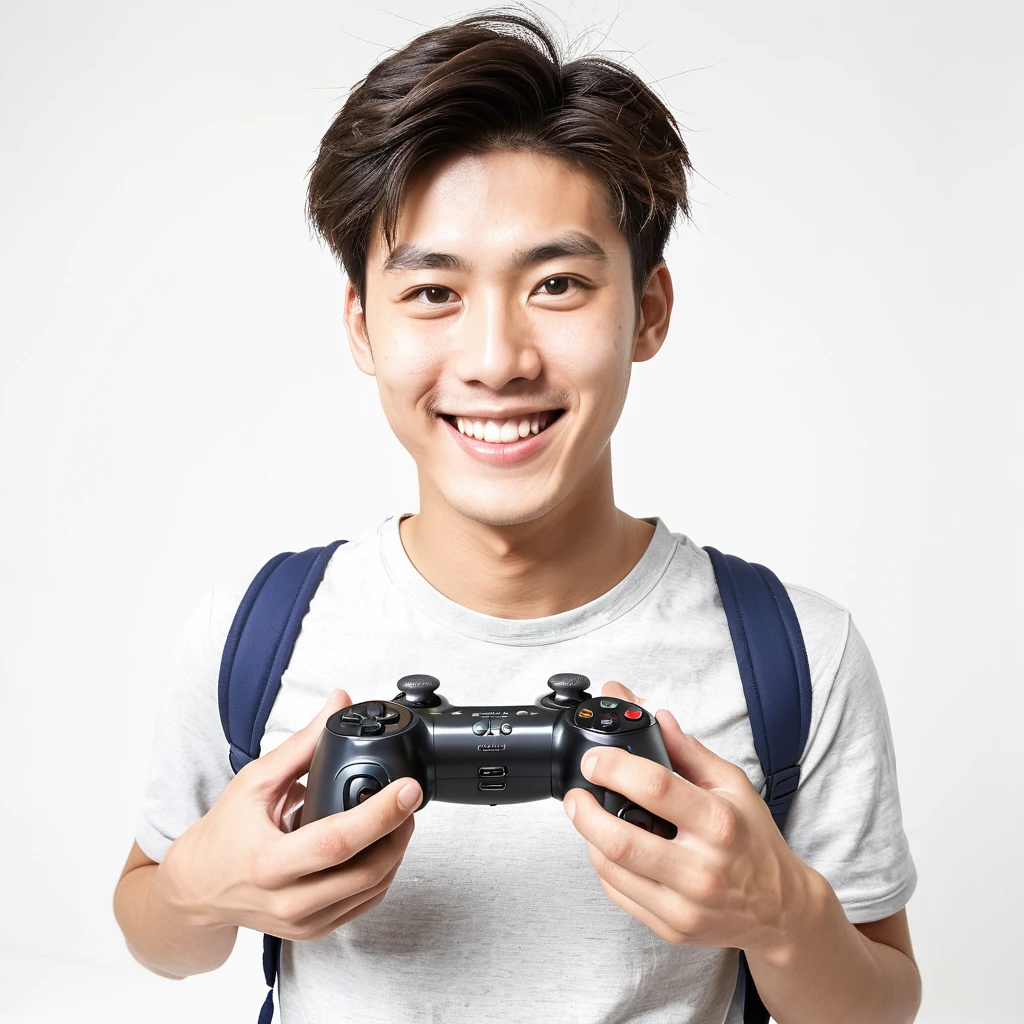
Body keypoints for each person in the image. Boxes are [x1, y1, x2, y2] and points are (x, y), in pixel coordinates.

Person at [113, 8, 921, 1022]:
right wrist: (197, 889)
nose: (497, 358)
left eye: (559, 282)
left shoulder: (798, 654)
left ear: (650, 310)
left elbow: (881, 1003)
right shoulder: (253, 634)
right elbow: (156, 931)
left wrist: (780, 918)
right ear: (361, 324)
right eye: (433, 292)